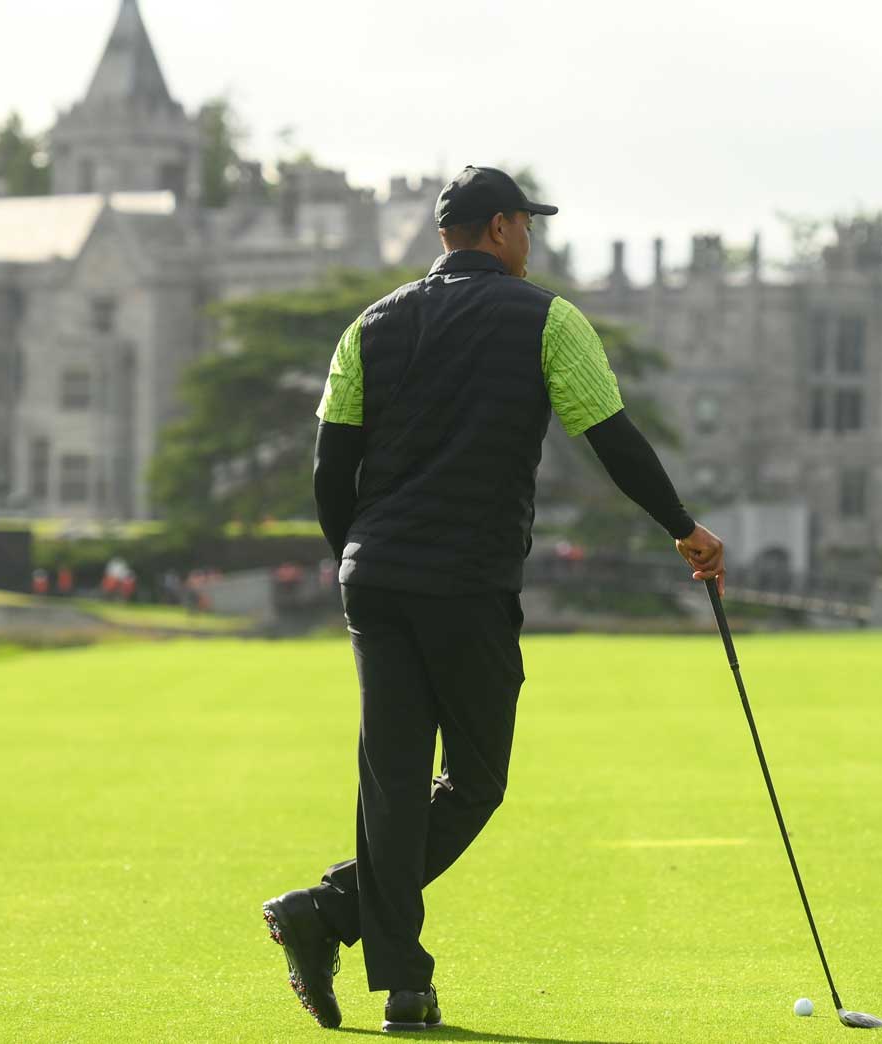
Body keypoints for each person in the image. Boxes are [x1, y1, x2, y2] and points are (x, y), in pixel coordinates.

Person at [260, 166, 724, 1033]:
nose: (532, 241)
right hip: (467, 581)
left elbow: (331, 468)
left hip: (378, 579)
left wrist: (353, 559)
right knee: (473, 779)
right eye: (528, 226)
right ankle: (343, 926)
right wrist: (683, 527)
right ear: (502, 228)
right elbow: (610, 437)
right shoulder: (548, 318)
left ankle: (376, 961)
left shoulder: (368, 326)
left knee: (393, 784)